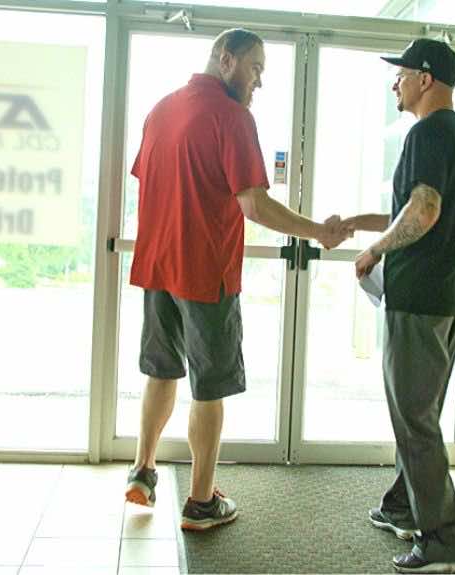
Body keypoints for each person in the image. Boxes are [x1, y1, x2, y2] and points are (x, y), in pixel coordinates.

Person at [124, 28, 349, 531]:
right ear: (227, 60)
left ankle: (143, 469)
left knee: (160, 371)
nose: (260, 82)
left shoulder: (160, 110)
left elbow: (152, 181)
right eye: (256, 69)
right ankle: (202, 502)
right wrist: (317, 232)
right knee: (210, 388)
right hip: (205, 273)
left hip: (158, 267)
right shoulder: (232, 117)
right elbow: (253, 203)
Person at [344, 38, 455, 573]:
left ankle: (446, 541)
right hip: (450, 296)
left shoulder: (426, 132)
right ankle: (404, 503)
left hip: (418, 298)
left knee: (414, 419)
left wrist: (374, 250)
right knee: (421, 411)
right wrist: (362, 223)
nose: (394, 83)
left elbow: (422, 212)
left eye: (401, 74)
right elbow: (424, 210)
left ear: (425, 79)